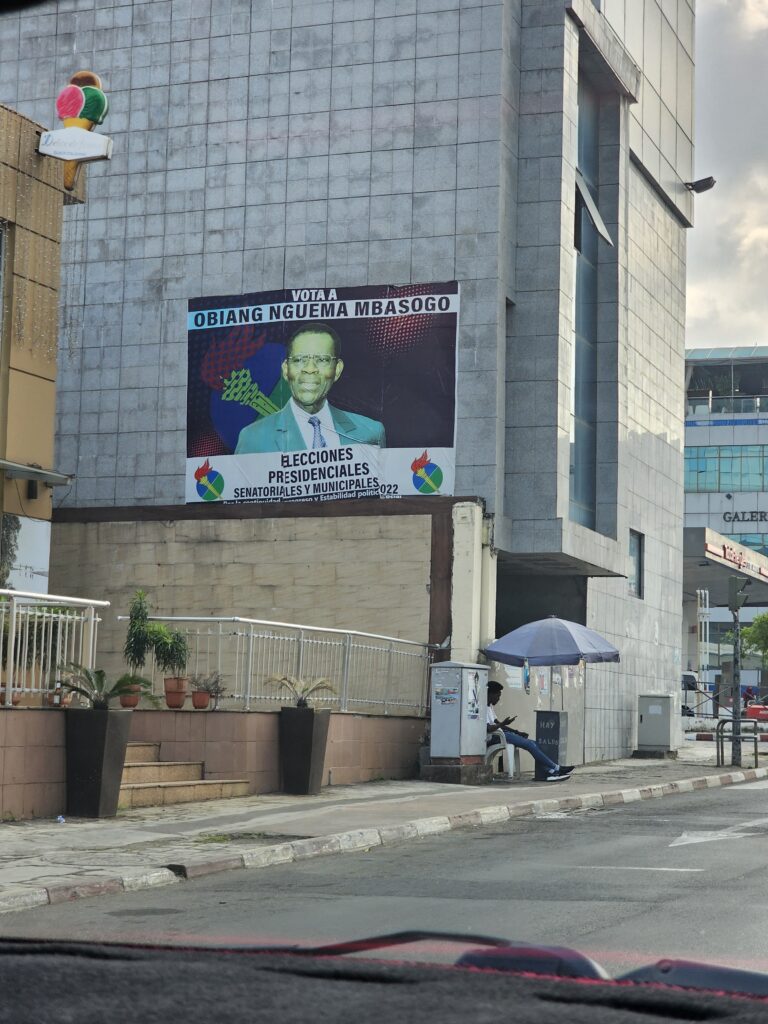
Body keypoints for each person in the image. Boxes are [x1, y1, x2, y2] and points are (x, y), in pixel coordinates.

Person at [235, 323, 386, 454]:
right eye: (299, 360)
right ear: (286, 369)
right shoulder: (252, 439)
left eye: (322, 360)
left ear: (337, 369)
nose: (309, 369)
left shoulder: (370, 433)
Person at [486, 680, 575, 781]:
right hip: (494, 737)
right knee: (529, 745)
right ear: (491, 694)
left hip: (502, 734)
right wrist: (502, 724)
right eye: (497, 696)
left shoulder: (490, 707)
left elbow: (498, 724)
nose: (498, 699)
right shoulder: (482, 707)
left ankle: (550, 772)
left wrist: (516, 732)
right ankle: (556, 768)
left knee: (534, 744)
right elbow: (489, 728)